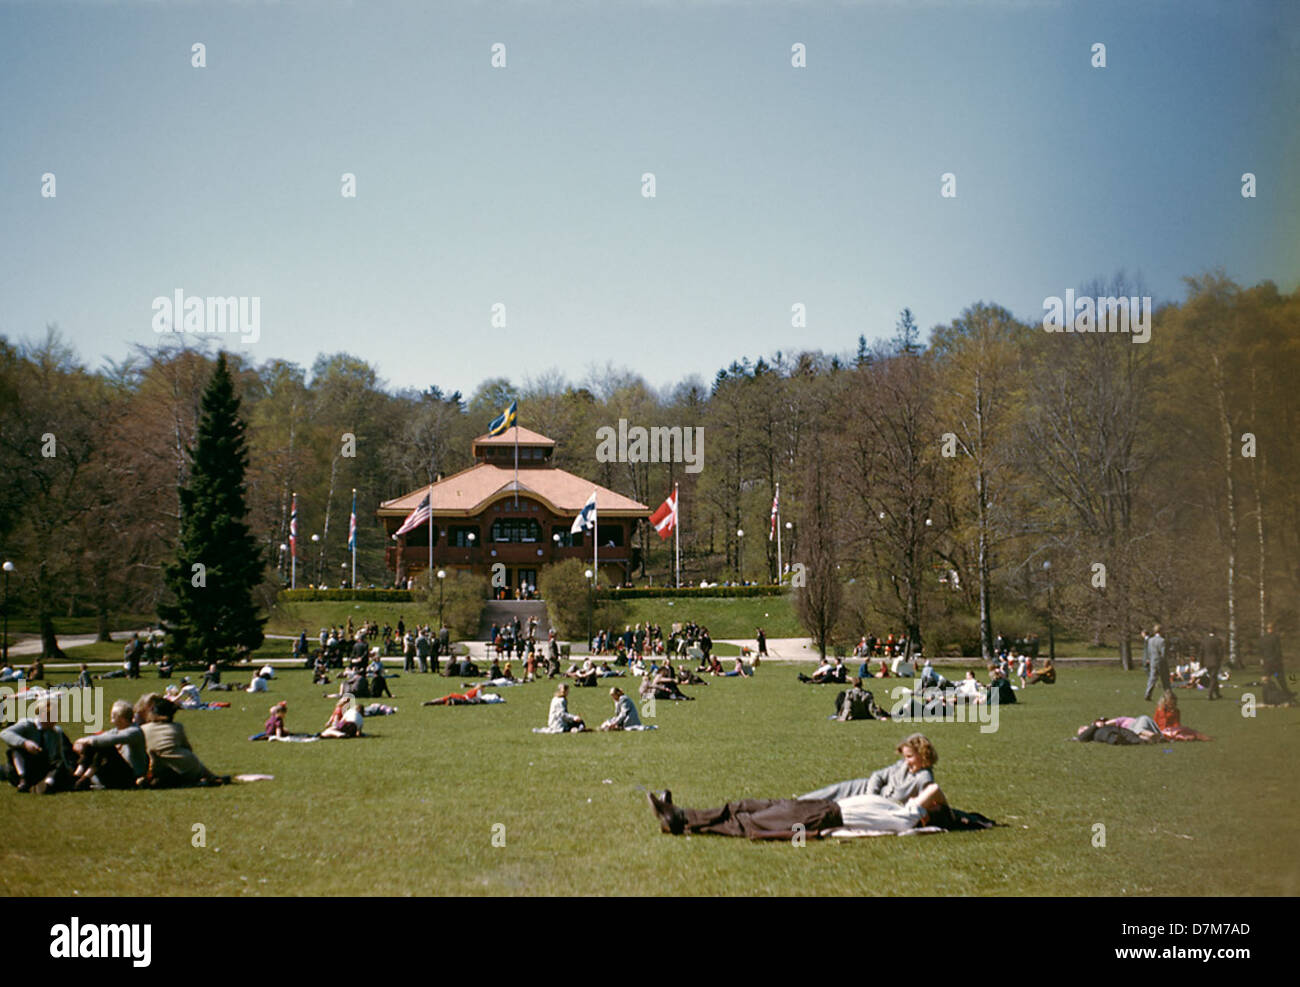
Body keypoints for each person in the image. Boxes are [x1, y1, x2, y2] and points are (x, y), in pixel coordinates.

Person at [646, 782, 949, 839]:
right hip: (816, 808)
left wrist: (944, 813)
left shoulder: (905, 819)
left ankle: (679, 819)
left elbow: (934, 791)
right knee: (744, 806)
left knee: (748, 823)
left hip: (819, 817)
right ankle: (678, 815)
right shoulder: (899, 810)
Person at [801, 734, 941, 809]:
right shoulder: (902, 765)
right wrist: (870, 797)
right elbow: (878, 775)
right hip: (865, 789)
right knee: (829, 792)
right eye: (905, 757)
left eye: (910, 757)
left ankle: (794, 810)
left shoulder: (924, 779)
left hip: (876, 806)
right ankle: (795, 803)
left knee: (830, 807)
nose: (906, 761)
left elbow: (925, 805)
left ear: (922, 754)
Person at [136, 694, 228, 786]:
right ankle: (212, 778)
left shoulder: (144, 729)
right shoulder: (177, 727)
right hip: (188, 764)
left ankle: (201, 782)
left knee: (165, 780)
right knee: (193, 764)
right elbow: (188, 748)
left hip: (164, 766)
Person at [1, 694, 76, 793]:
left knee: (59, 763)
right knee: (14, 749)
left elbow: (59, 755)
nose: (56, 720)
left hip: (42, 767)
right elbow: (4, 733)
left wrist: (68, 768)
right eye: (52, 716)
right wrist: (25, 743)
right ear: (42, 715)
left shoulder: (56, 732)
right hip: (23, 766)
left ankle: (47, 784)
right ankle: (23, 779)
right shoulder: (27, 724)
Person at [72, 699, 147, 789]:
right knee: (97, 742)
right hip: (119, 771)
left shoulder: (134, 732)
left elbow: (110, 739)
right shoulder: (118, 730)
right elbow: (100, 737)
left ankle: (85, 778)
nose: (111, 720)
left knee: (104, 744)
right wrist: (84, 741)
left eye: (114, 716)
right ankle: (77, 775)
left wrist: (86, 740)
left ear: (122, 719)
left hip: (132, 776)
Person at [1143, 624, 1170, 702]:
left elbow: (1149, 651)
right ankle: (1167, 694)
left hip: (1153, 661)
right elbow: (1163, 653)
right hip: (1161, 662)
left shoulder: (1150, 640)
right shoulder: (1162, 640)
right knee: (1165, 679)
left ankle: (1148, 693)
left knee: (1152, 678)